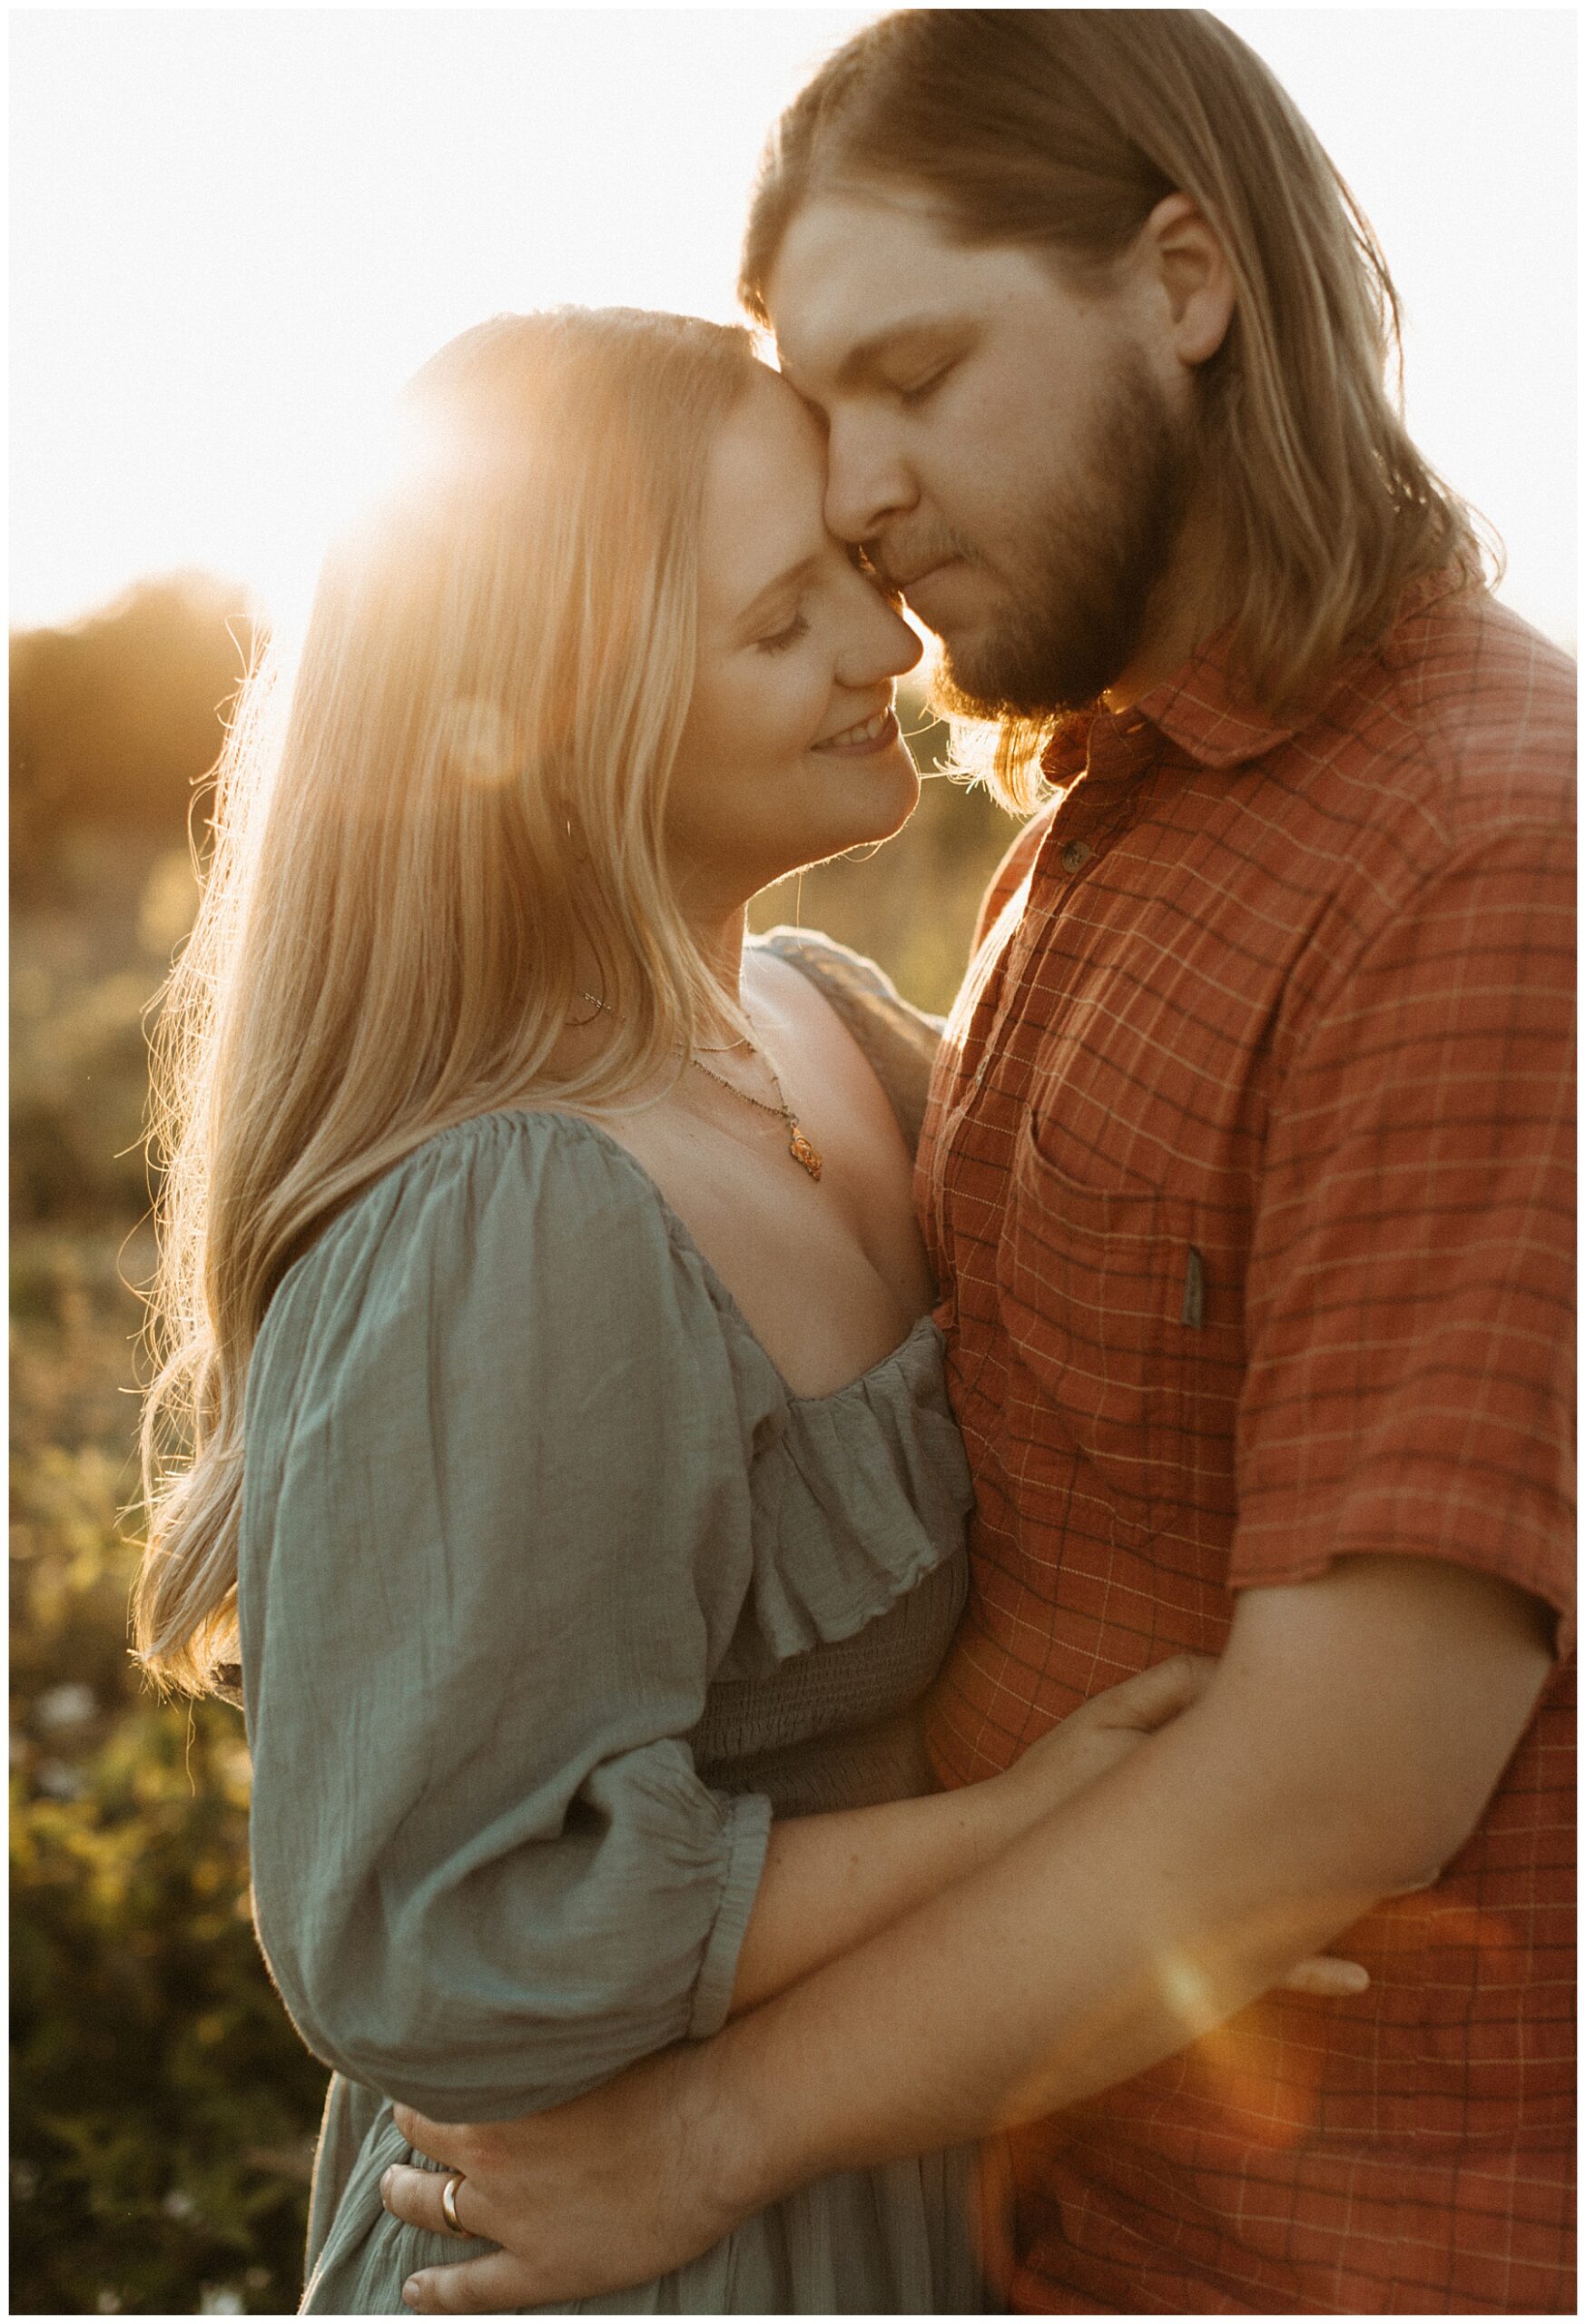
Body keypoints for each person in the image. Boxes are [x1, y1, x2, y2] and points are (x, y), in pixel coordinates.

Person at [381, 11, 1575, 2317]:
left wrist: (707, 2132)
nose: (858, 490)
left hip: (1322, 2244)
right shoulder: (1114, 810)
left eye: (916, 371)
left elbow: (1337, 1780)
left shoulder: (1478, 851)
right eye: (827, 412)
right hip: (1001, 2203)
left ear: (1186, 279)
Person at [132, 304, 1364, 2314]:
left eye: (859, 578)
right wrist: (1037, 1825)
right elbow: (441, 1929)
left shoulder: (810, 1022)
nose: (889, 651)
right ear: (563, 704)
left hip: (874, 2162)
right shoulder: (509, 1211)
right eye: (784, 615)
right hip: (629, 2244)